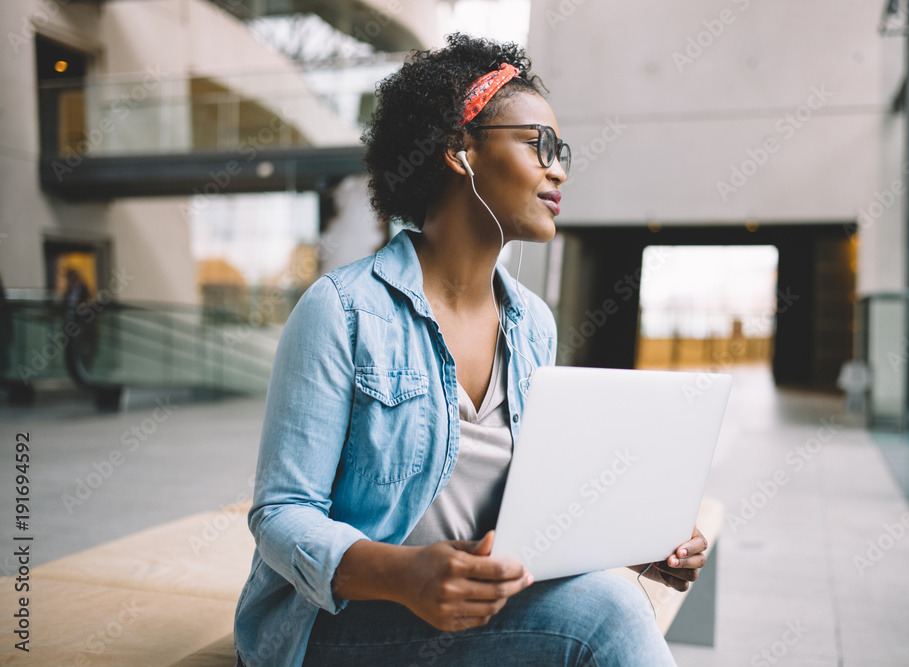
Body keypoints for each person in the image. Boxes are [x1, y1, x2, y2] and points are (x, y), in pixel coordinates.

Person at [233, 34, 707, 667]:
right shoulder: (342, 311)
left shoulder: (532, 324)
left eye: (561, 151)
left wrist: (631, 537)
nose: (558, 168)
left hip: (474, 615)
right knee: (610, 617)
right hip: (332, 626)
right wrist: (405, 575)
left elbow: (535, 505)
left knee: (612, 600)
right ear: (460, 150)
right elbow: (281, 514)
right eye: (539, 144)